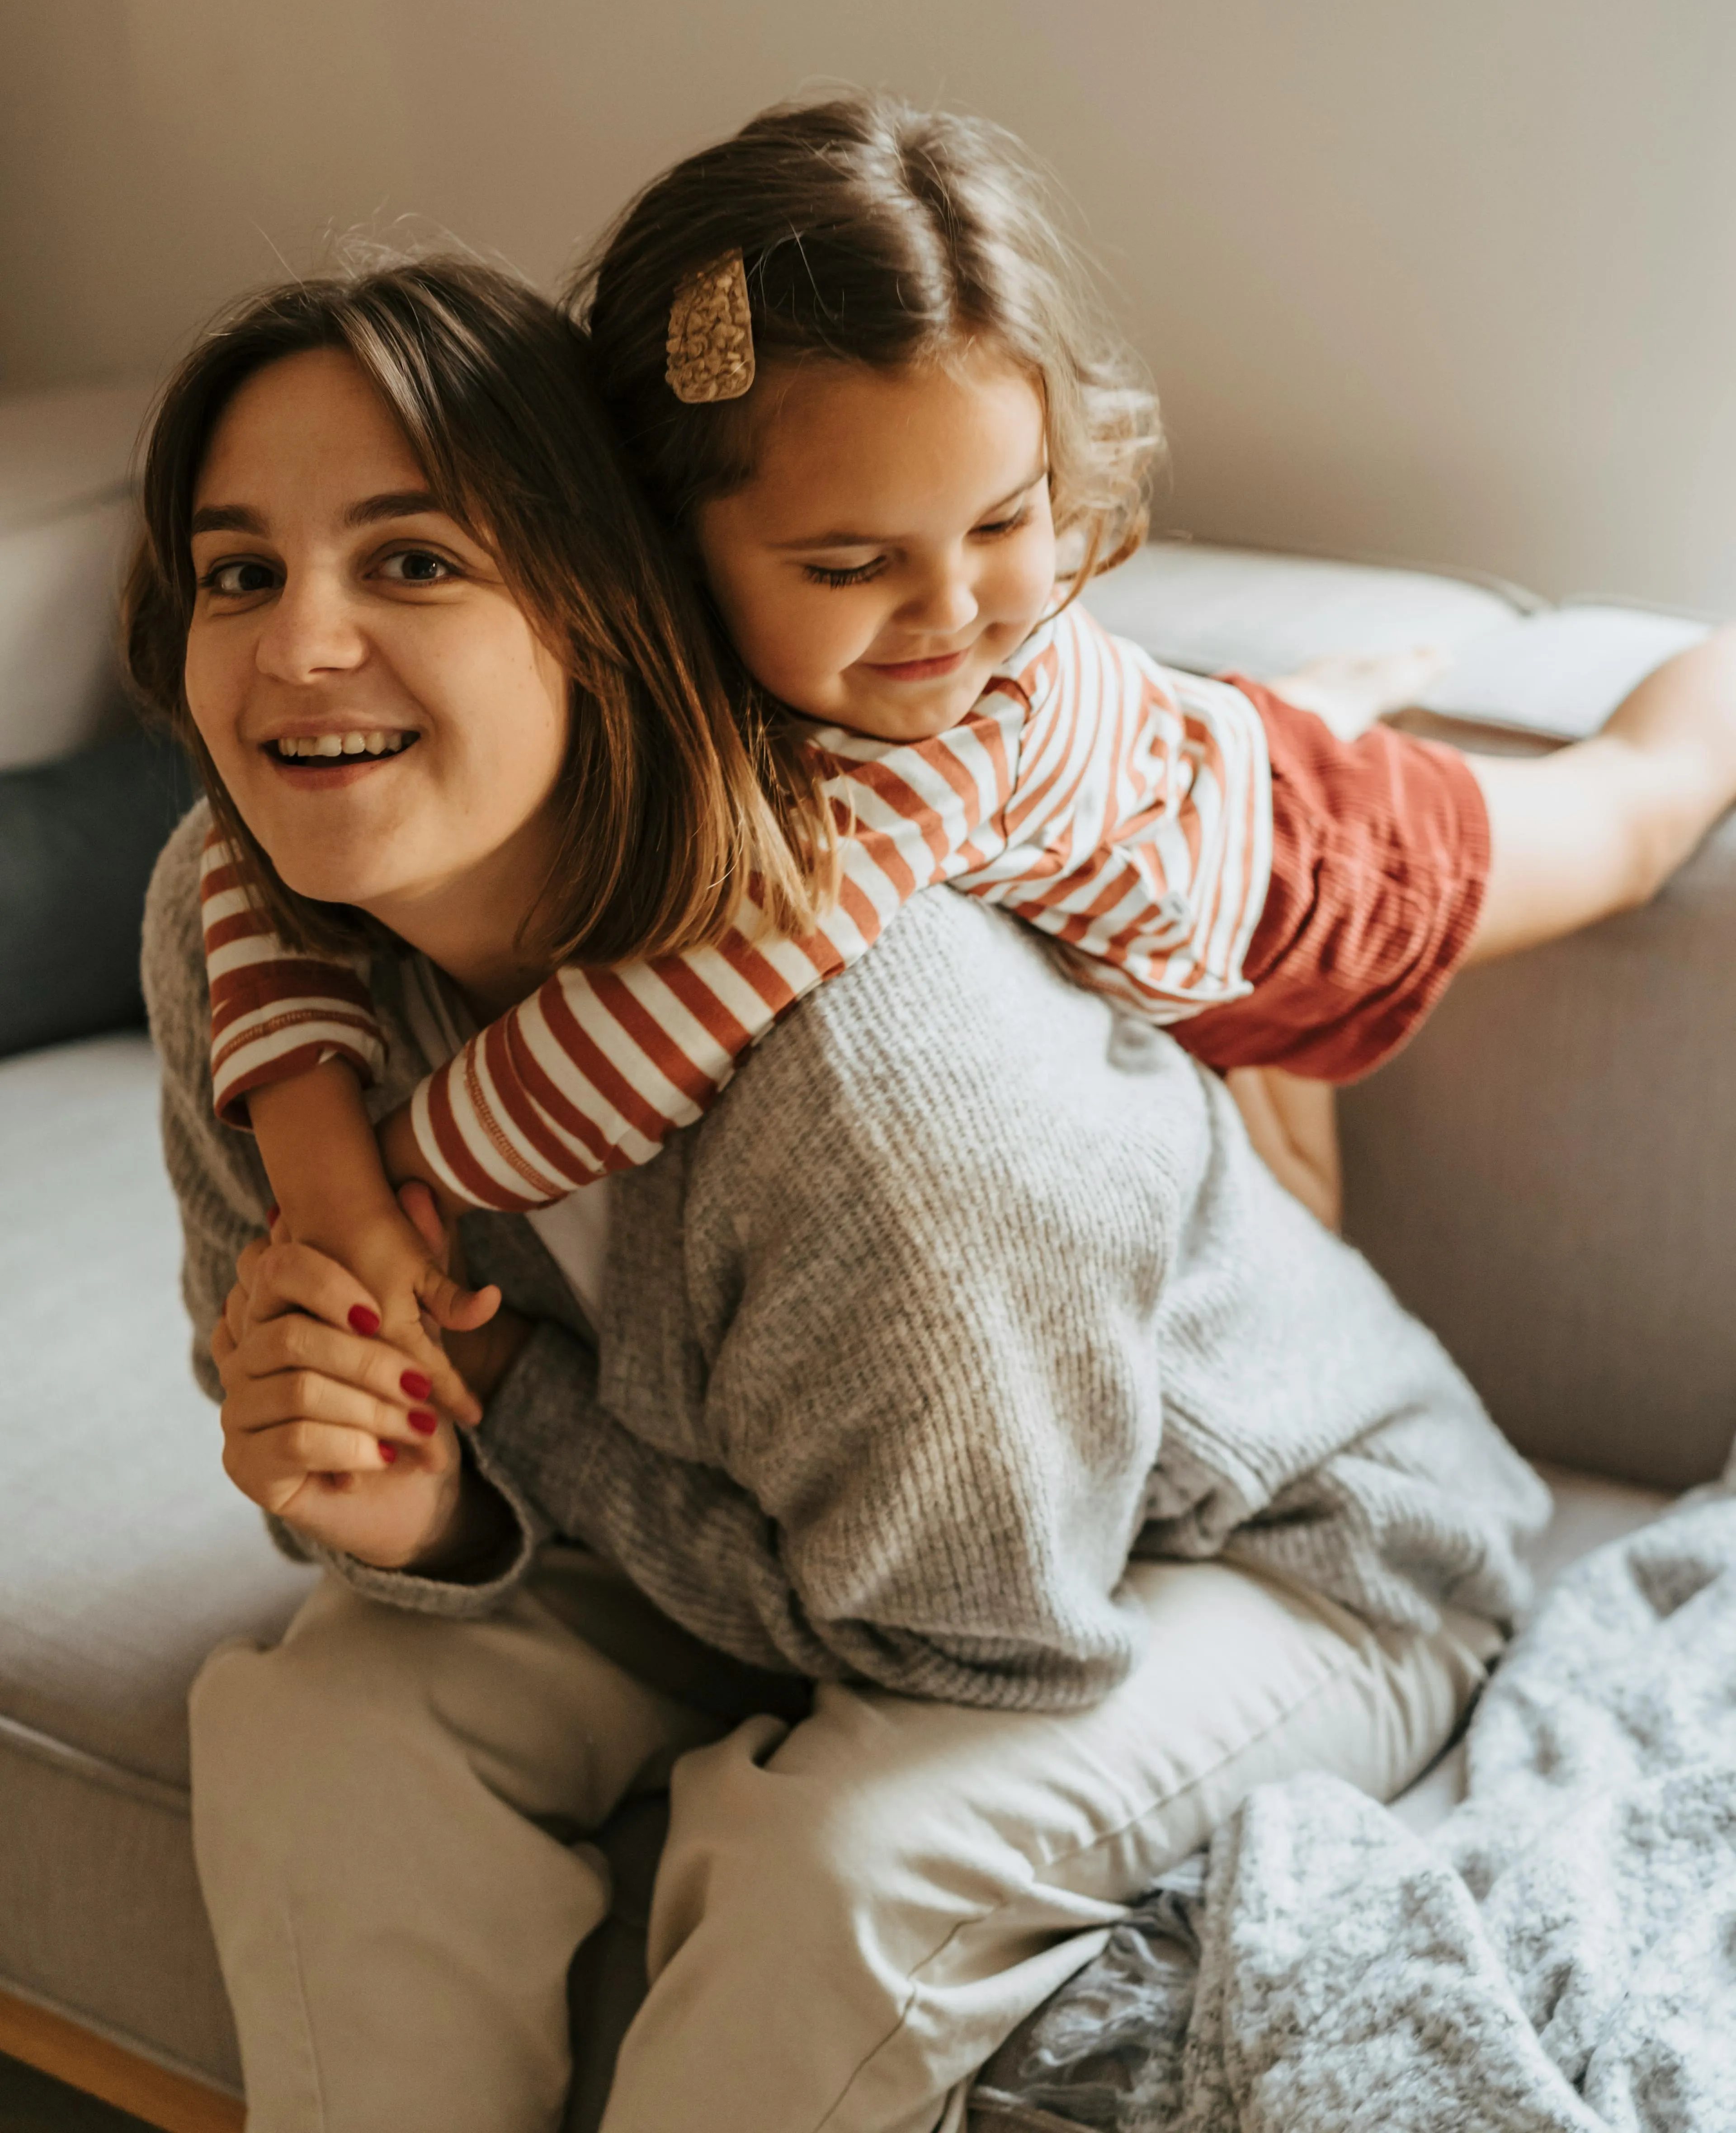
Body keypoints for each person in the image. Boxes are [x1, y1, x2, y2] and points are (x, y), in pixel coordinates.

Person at [131, 257, 1546, 2133]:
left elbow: (966, 1637)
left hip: (1265, 1559)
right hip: (785, 1535)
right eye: (242, 572)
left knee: (831, 1878)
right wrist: (416, 1524)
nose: (300, 645)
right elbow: (348, 1478)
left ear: (597, 609)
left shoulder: (878, 1077)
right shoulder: (241, 941)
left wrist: (512, 1467)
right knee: (323, 1734)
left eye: (410, 561)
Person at [182, 96, 1736, 1393]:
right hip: (1124, 814)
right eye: (849, 567)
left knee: (1631, 813)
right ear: (663, 546)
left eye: (1007, 523)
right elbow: (249, 856)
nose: (948, 615)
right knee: (1218, 1037)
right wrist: (306, 1145)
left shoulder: (930, 758)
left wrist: (398, 1173)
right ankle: (1274, 713)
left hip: (1289, 863)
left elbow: (648, 1032)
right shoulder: (651, 676)